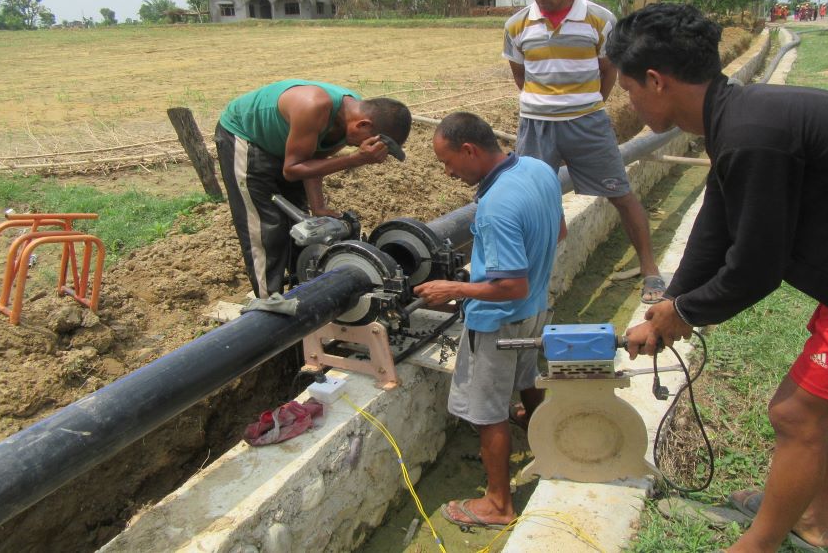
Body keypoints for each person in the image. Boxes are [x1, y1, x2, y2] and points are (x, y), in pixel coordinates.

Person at [609, 3, 828, 552]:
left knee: (794, 411)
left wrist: (685, 314)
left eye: (628, 89)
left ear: (656, 79)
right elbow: (714, 227)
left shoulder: (750, 135)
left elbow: (756, 267)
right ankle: (810, 511)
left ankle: (767, 541)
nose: (628, 101)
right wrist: (672, 302)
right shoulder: (735, 117)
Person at [414, 112, 566, 529]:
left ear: (470, 150)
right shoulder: (537, 167)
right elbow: (561, 231)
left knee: (486, 412)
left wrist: (454, 289)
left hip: (498, 319)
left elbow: (510, 286)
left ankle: (498, 504)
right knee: (527, 376)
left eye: (448, 162)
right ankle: (544, 435)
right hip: (535, 308)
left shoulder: (494, 207)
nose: (447, 173)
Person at [503, 0, 665, 304]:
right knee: (536, 204)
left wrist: (590, 105)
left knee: (621, 194)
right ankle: (535, 285)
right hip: (535, 126)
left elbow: (607, 69)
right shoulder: (516, 25)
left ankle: (651, 271)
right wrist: (541, 105)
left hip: (588, 124)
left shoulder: (598, 19)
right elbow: (521, 75)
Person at [214, 80, 411, 298]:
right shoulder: (313, 106)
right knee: (266, 228)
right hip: (246, 137)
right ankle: (269, 306)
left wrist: (318, 207)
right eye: (370, 143)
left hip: (288, 148)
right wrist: (355, 158)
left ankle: (303, 295)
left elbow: (314, 158)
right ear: (363, 125)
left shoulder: (350, 119)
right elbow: (292, 169)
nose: (364, 148)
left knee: (302, 226)